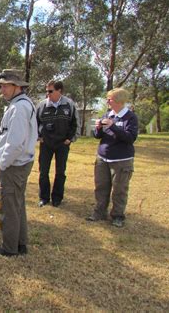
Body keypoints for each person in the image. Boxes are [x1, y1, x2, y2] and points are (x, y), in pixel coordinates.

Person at [0, 69, 38, 257]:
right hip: (20, 162)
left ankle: (9, 248)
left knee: (9, 206)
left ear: (16, 86)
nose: (1, 89)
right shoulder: (20, 104)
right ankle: (20, 243)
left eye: (4, 85)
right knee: (17, 204)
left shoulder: (19, 108)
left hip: (14, 164)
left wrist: (3, 163)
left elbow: (15, 143)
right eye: (0, 85)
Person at [86, 88, 138, 228]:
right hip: (103, 158)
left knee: (119, 189)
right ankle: (99, 212)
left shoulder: (130, 117)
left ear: (119, 101)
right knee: (101, 187)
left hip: (121, 160)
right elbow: (99, 136)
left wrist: (113, 126)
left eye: (110, 99)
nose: (107, 102)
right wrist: (97, 128)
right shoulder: (108, 114)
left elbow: (130, 138)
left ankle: (117, 216)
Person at [36, 80, 78, 207]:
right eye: (46, 91)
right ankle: (44, 198)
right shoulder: (41, 105)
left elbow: (75, 124)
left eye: (50, 91)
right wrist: (39, 137)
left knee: (60, 172)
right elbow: (34, 123)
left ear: (59, 91)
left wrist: (70, 139)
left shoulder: (69, 104)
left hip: (62, 144)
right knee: (43, 172)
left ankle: (57, 198)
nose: (47, 94)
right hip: (46, 144)